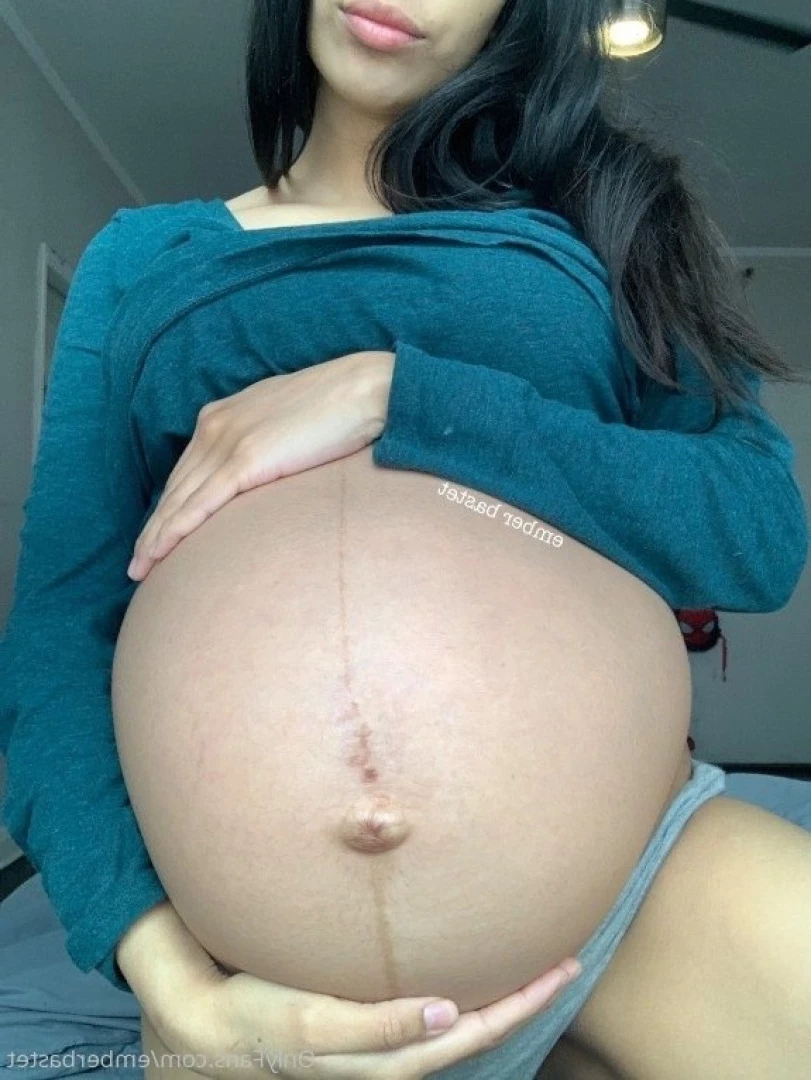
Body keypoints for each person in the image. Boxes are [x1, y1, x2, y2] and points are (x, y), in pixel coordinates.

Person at [2, 1, 809, 1078]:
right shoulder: (140, 259)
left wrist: (397, 394)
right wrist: (169, 982)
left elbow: (754, 530)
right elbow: (56, 636)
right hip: (244, 976)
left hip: (638, 898)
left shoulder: (605, 224)